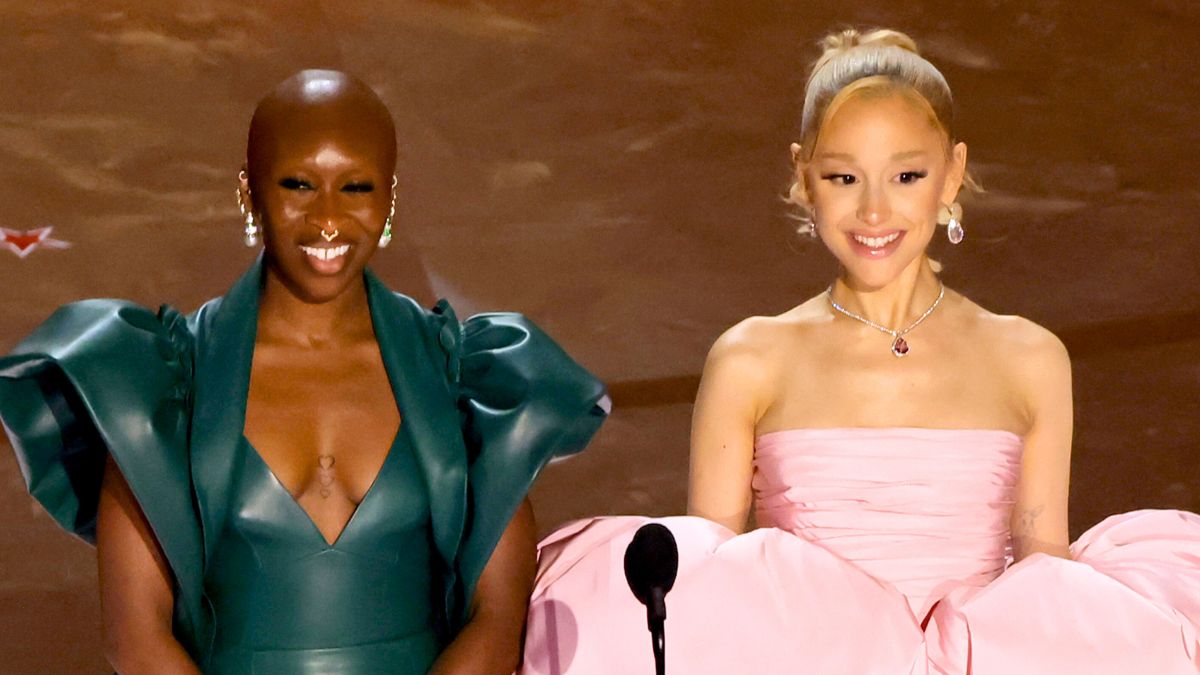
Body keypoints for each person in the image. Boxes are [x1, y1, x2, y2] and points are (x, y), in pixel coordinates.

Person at [519, 29, 1200, 674]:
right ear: (803, 176)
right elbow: (708, 584)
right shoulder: (752, 359)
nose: (875, 213)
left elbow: (1046, 587)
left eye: (906, 176)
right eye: (845, 178)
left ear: (953, 173)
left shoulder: (1030, 357)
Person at [0, 70, 608, 674]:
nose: (328, 219)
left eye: (356, 188)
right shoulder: (163, 385)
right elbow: (136, 639)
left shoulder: (461, 378)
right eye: (298, 184)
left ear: (390, 198)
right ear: (248, 193)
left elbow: (498, 620)